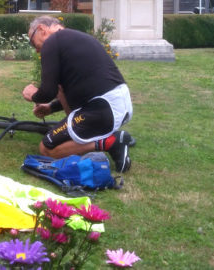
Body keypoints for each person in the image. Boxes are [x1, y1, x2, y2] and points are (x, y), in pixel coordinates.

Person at [22, 16, 134, 172]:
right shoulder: (76, 38)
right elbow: (77, 89)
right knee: (61, 87)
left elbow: (47, 92)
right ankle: (107, 135)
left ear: (41, 29)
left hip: (102, 109)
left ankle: (111, 142)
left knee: (46, 148)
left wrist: (32, 95)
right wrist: (51, 108)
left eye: (32, 42)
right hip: (116, 104)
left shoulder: (52, 42)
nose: (36, 49)